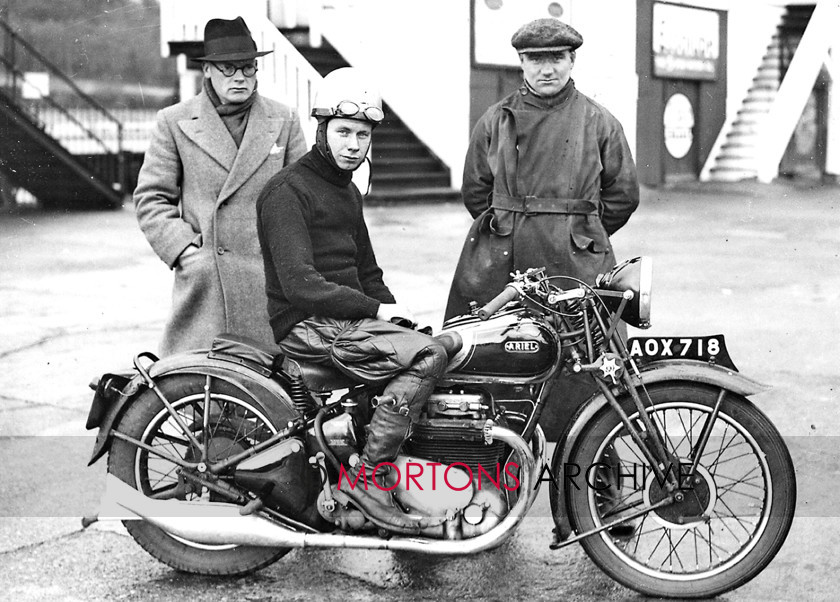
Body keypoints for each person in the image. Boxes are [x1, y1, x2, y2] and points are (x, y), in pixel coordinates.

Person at [256, 68, 448, 532]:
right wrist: (376, 311)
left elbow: (369, 274)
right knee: (429, 354)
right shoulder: (287, 191)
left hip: (341, 322)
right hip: (307, 324)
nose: (353, 144)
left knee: (444, 342)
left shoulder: (347, 192)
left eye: (362, 135)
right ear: (321, 130)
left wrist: (394, 314)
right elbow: (301, 284)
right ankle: (367, 480)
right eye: (343, 132)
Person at [444, 18, 640, 321]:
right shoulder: (496, 120)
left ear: (572, 60)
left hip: (578, 260)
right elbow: (475, 190)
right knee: (499, 349)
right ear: (521, 62)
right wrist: (509, 229)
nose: (546, 70)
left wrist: (583, 232)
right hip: (504, 259)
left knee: (585, 353)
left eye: (557, 58)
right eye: (536, 59)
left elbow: (623, 195)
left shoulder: (599, 121)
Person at [135, 16, 306, 356]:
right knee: (201, 389)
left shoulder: (284, 120)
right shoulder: (173, 122)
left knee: (277, 397)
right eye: (228, 68)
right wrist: (186, 252)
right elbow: (152, 199)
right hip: (208, 286)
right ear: (208, 70)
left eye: (247, 68)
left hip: (271, 283)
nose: (240, 77)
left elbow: (305, 196)